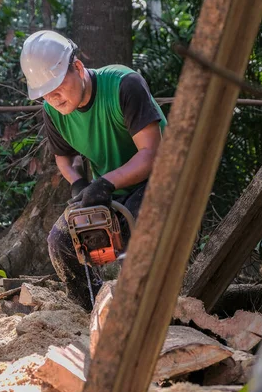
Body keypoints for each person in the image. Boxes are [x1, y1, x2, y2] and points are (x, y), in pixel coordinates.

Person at [20, 30, 167, 309]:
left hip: (160, 181)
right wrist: (78, 183)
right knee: (61, 242)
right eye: (45, 93)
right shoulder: (53, 112)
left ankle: (150, 310)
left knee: (139, 233)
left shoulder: (125, 85)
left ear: (77, 67)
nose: (53, 97)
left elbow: (152, 155)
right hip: (109, 188)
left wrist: (105, 184)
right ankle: (94, 310)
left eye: (57, 86)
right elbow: (65, 159)